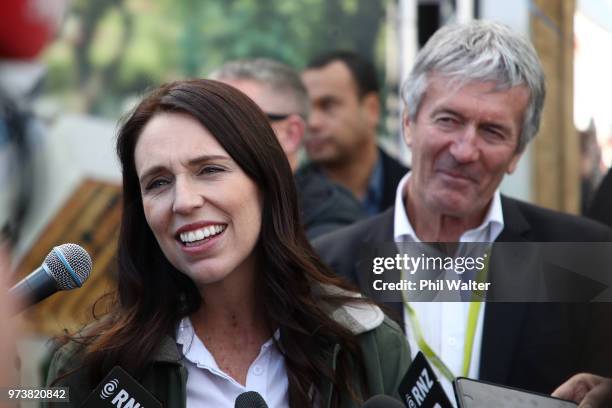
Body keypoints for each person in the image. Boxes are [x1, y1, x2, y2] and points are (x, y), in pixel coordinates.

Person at [44, 79, 410, 407]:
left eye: (209, 170)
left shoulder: (368, 345)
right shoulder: (89, 370)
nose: (184, 201)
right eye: (158, 182)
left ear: (265, 182)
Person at [313, 21, 612, 398]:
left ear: (517, 153)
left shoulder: (579, 258)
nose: (464, 150)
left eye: (492, 131)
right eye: (448, 120)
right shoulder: (326, 265)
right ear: (408, 123)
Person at [210, 58, 365, 239]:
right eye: (207, 122)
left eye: (235, 121)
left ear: (291, 134)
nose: (214, 136)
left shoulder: (331, 222)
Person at [301, 51, 408, 215]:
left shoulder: (416, 193)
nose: (312, 122)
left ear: (372, 109)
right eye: (306, 109)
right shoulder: (284, 201)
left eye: (328, 105)